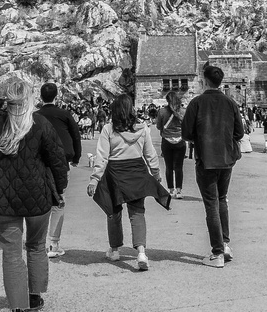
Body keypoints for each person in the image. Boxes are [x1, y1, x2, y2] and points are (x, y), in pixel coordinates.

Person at [0, 73, 70, 312]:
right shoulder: (39, 125)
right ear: (28, 99)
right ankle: (34, 296)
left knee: (11, 252)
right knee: (37, 245)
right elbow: (57, 160)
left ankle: (17, 310)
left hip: (3, 199)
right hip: (37, 195)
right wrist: (60, 188)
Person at [88, 93, 170, 271]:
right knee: (137, 213)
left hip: (115, 173)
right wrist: (155, 174)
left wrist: (94, 179)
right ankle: (141, 252)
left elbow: (102, 157)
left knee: (114, 211)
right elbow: (150, 154)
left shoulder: (109, 129)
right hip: (136, 171)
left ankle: (115, 249)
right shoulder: (142, 128)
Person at [181, 63, 244, 268]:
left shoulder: (196, 103)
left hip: (206, 159)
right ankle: (225, 244)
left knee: (211, 204)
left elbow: (186, 133)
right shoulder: (230, 102)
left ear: (204, 80)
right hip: (226, 159)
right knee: (222, 199)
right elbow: (239, 133)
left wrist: (201, 138)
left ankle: (217, 252)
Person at [36, 83, 85, 257]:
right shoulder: (64, 114)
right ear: (56, 96)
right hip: (61, 162)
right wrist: (77, 157)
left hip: (39, 163)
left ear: (41, 97)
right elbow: (75, 136)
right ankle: (53, 244)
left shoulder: (35, 116)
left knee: (40, 200)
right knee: (58, 200)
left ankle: (37, 242)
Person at [155, 89, 187, 200]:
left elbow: (158, 126)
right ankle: (179, 191)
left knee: (169, 167)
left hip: (167, 141)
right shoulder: (183, 111)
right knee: (179, 167)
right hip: (180, 141)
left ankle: (171, 190)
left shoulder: (162, 112)